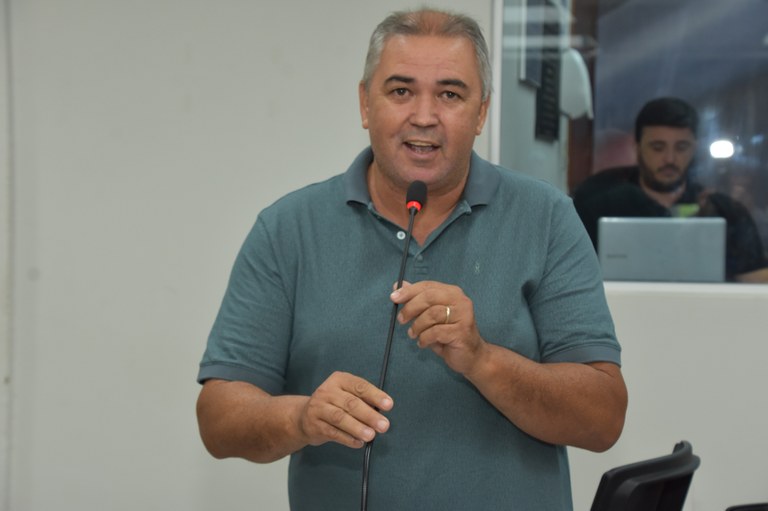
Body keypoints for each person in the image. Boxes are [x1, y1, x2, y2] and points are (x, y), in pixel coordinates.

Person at [196, 8, 627, 510]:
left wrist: (482, 359)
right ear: (365, 103)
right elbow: (219, 418)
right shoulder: (288, 228)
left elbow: (603, 419)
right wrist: (301, 418)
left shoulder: (546, 218)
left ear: (481, 113)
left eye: (450, 94)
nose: (424, 116)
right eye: (401, 91)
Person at [572, 97, 768, 283]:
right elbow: (571, 273)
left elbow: (755, 278)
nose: (670, 159)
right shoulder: (596, 202)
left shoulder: (723, 210)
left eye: (681, 147)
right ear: (637, 147)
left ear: (695, 148)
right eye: (657, 147)